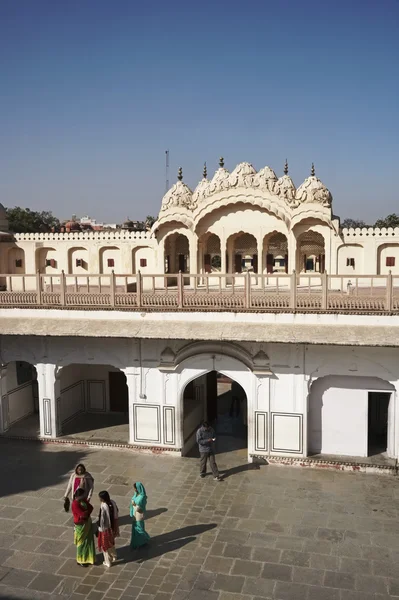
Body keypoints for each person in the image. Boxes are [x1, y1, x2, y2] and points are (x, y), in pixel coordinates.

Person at [71, 487, 96, 567]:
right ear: (78, 496)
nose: (84, 496)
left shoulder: (83, 500)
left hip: (87, 522)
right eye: (83, 495)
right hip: (81, 525)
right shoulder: (75, 504)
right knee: (81, 542)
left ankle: (88, 558)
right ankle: (81, 559)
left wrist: (86, 513)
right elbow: (82, 514)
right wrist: (86, 513)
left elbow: (90, 507)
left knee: (88, 541)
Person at [97, 491, 120, 568]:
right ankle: (114, 556)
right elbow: (117, 511)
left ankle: (107, 562)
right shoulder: (113, 502)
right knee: (111, 542)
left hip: (105, 529)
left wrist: (100, 528)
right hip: (113, 527)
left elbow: (102, 519)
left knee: (105, 546)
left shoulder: (103, 506)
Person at [130, 482, 150, 550]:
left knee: (139, 528)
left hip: (139, 514)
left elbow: (140, 509)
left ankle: (144, 539)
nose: (134, 489)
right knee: (135, 528)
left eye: (135, 488)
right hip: (134, 513)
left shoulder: (142, 497)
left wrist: (134, 504)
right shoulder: (136, 494)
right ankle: (137, 542)